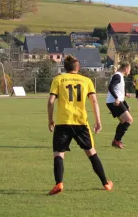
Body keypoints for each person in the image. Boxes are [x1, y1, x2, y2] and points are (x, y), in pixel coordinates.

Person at [47, 55, 113, 195]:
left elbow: (51, 101)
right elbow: (94, 101)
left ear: (65, 68)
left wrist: (50, 120)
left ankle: (59, 183)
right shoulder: (86, 81)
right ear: (78, 68)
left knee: (59, 154)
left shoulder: (58, 79)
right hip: (81, 122)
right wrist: (98, 121)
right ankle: (106, 183)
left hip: (63, 122)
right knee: (91, 152)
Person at [106, 62, 133, 149]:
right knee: (129, 120)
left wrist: (125, 97)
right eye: (129, 69)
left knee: (123, 121)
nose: (129, 71)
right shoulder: (117, 76)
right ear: (126, 68)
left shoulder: (119, 76)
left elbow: (118, 90)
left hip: (114, 102)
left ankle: (116, 141)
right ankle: (117, 140)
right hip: (114, 102)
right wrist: (116, 98)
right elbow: (110, 87)